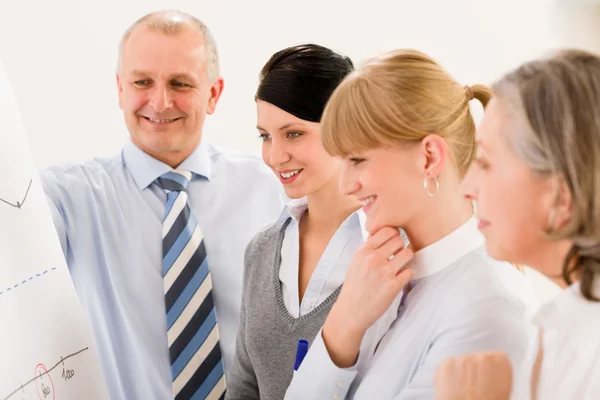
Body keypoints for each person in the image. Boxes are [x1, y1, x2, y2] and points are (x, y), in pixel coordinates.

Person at [40, 10, 285, 400]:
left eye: (180, 83)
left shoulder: (273, 189)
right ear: (120, 89)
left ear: (214, 94)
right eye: (142, 82)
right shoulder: (66, 197)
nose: (160, 100)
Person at [284, 49, 539, 399]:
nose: (344, 185)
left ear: (430, 156)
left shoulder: (487, 311)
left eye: (357, 159)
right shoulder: (383, 283)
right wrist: (342, 327)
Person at [434, 49, 600, 400]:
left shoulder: (589, 352)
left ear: (560, 195)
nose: (468, 187)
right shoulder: (559, 327)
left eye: (486, 163)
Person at [224, 43, 360, 400]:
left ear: (344, 127)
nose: (274, 155)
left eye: (294, 133)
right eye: (265, 136)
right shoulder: (263, 250)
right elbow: (244, 388)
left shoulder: (394, 252)